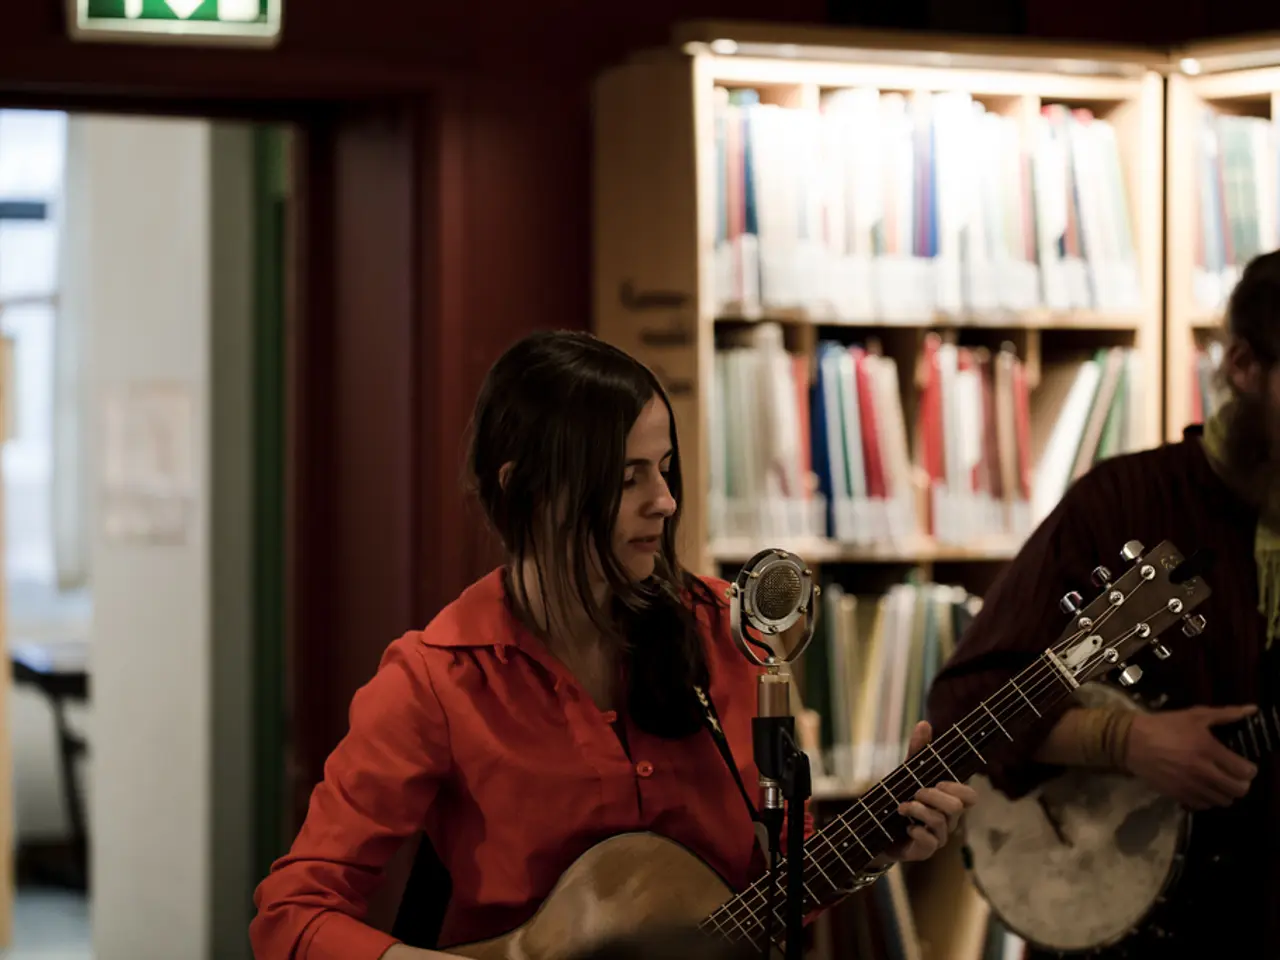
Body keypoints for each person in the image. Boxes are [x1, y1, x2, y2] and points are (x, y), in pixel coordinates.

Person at [250, 330, 977, 960]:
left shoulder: (729, 632)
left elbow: (778, 890)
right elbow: (291, 916)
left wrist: (882, 842)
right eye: (628, 478)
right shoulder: (433, 681)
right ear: (527, 490)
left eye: (664, 469)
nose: (663, 500)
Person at [926, 249, 1280, 958]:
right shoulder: (1125, 506)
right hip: (1143, 934)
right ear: (1244, 366)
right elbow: (968, 705)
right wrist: (1126, 742)